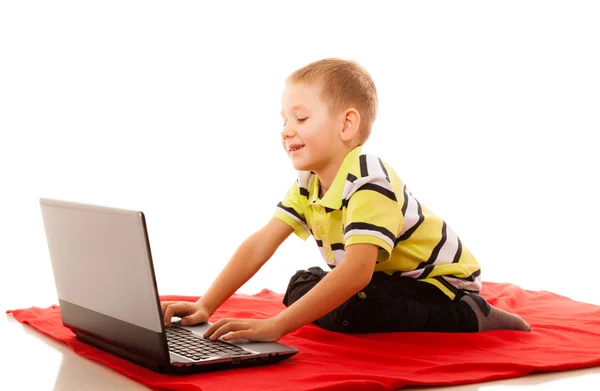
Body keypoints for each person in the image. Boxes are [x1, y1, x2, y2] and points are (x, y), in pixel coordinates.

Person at [161, 58, 530, 342]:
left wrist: (276, 327)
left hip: (438, 286)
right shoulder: (308, 183)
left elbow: (356, 272)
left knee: (354, 306)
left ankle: (471, 314)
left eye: (301, 118)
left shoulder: (370, 178)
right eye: (284, 120)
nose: (287, 130)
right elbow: (261, 242)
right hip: (385, 280)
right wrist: (206, 304)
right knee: (301, 284)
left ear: (346, 125)